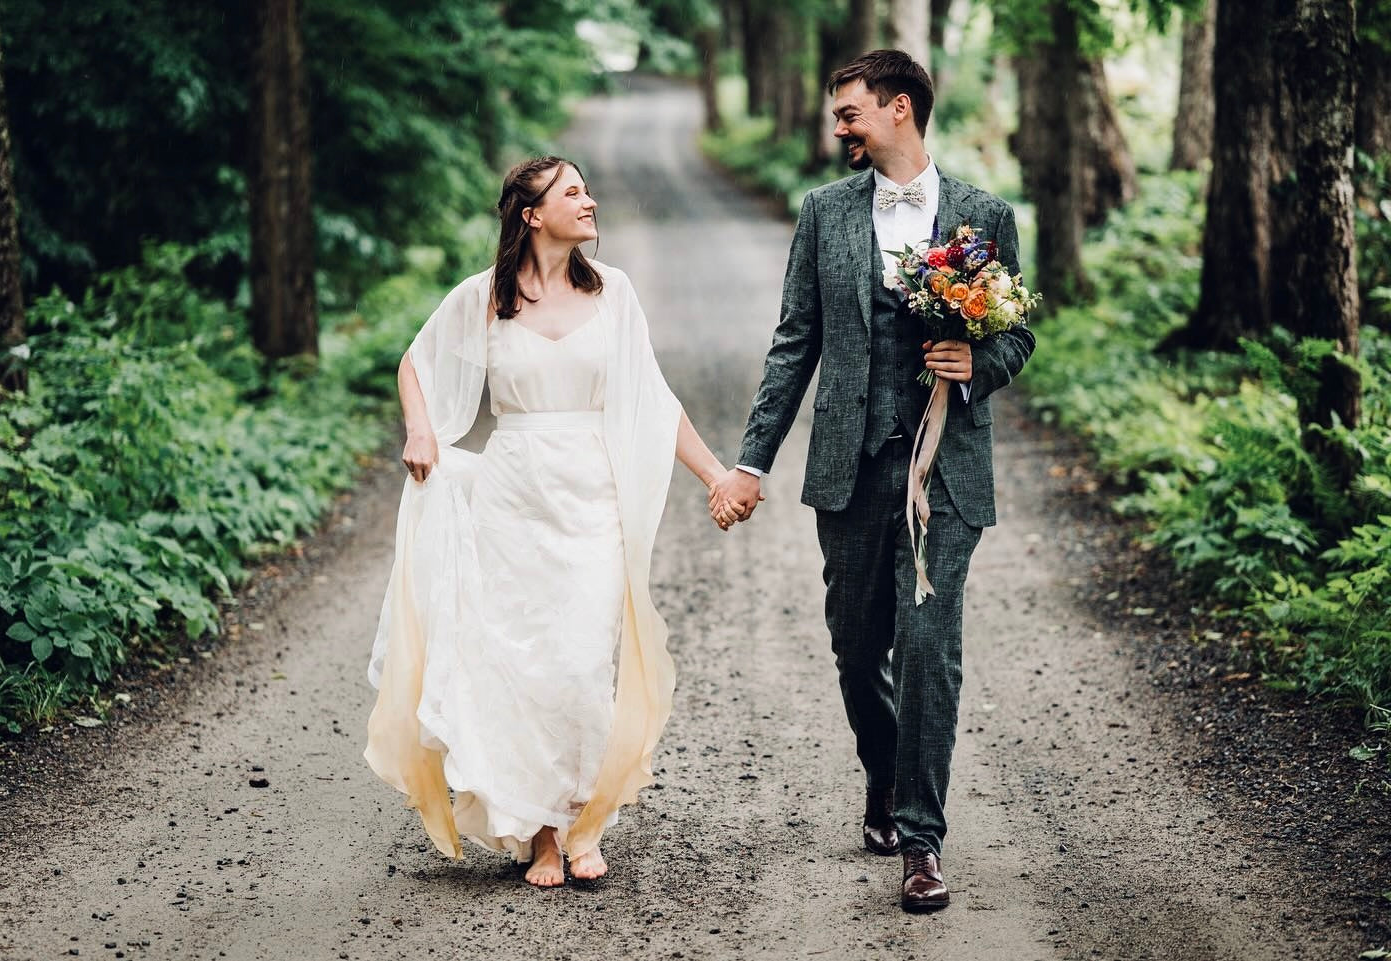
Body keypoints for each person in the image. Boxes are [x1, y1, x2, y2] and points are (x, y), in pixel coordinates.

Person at [710, 50, 1035, 912]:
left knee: (930, 649)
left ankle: (922, 840)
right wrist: (751, 460)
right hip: (849, 470)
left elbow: (1018, 335)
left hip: (945, 470)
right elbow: (794, 343)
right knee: (859, 649)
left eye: (850, 111)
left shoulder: (984, 214)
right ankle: (885, 777)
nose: (839, 126)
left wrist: (975, 361)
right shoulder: (823, 214)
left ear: (898, 108)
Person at [364, 156, 739, 888]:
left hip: (591, 499)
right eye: (573, 192)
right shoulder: (485, 298)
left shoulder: (614, 294)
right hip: (512, 499)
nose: (590, 201)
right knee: (524, 669)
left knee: (578, 664)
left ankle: (584, 822)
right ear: (531, 214)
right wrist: (421, 430)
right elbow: (416, 361)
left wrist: (717, 474)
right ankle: (542, 835)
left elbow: (653, 401)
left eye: (588, 189)